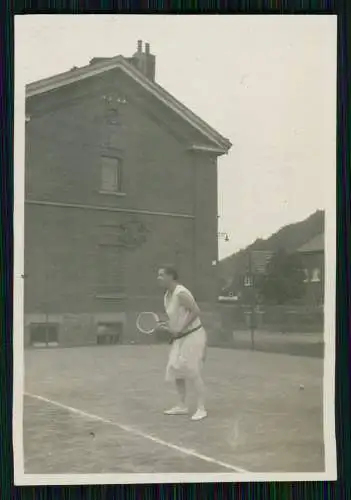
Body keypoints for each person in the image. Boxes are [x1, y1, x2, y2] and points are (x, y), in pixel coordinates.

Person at [157, 265, 207, 421]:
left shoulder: (181, 292)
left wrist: (180, 328)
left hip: (193, 336)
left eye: (161, 275)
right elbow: (176, 318)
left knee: (192, 371)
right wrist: (167, 325)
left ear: (171, 277)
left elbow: (196, 311)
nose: (158, 278)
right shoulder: (167, 295)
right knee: (175, 369)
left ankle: (201, 408)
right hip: (181, 337)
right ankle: (182, 405)